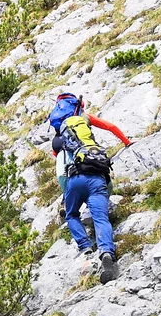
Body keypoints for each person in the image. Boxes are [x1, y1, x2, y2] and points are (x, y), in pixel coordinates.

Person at [49, 93, 132, 283]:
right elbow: (110, 126)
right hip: (98, 176)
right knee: (101, 218)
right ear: (80, 106)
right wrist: (126, 142)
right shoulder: (84, 119)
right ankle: (106, 252)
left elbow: (58, 159)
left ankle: (85, 246)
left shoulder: (61, 131)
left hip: (75, 179)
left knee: (71, 214)